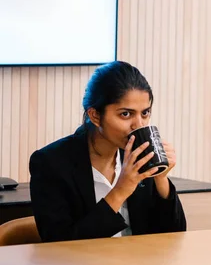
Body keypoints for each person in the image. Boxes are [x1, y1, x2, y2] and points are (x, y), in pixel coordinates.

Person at [29, 61, 186, 242]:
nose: (139, 125)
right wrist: (120, 191)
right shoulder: (51, 163)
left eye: (145, 113)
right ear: (95, 115)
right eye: (125, 114)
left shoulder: (140, 155)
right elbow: (61, 244)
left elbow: (174, 236)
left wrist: (161, 179)